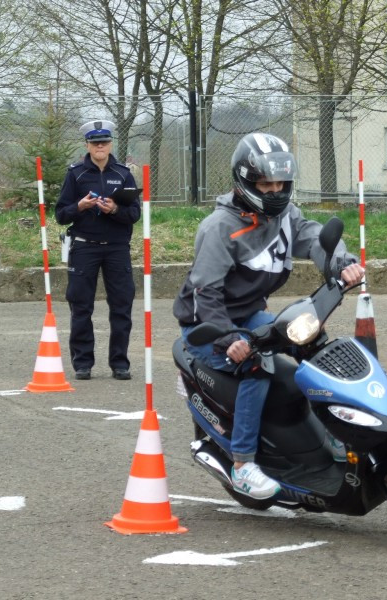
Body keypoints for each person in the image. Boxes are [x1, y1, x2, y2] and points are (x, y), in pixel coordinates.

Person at [173, 132, 364, 500]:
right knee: (259, 366)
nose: (275, 191)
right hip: (208, 325)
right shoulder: (219, 228)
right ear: (245, 182)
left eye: (281, 184)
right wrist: (228, 339)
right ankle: (244, 465)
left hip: (251, 313)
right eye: (265, 183)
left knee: (312, 344)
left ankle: (338, 435)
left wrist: (343, 264)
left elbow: (314, 238)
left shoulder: (285, 215)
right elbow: (205, 294)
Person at [55, 119, 141, 381]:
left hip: (116, 248)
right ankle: (83, 363)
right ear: (87, 145)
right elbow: (60, 214)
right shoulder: (76, 173)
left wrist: (114, 209)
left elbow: (134, 213)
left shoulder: (123, 173)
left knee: (121, 306)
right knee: (81, 307)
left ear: (111, 143)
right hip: (84, 247)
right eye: (95, 142)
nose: (100, 146)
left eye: (104, 142)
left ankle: (119, 363)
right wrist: (79, 206)